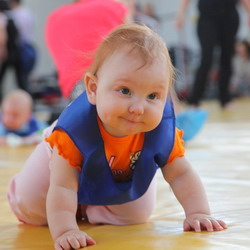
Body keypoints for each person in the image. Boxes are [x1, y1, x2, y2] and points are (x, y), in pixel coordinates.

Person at [7, 24, 226, 250]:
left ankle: (88, 207)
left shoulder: (160, 129)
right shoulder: (73, 132)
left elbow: (181, 174)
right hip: (60, 165)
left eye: (153, 95)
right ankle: (67, 205)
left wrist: (198, 212)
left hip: (116, 169)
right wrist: (66, 230)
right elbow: (62, 186)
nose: (138, 108)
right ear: (93, 89)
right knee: (32, 205)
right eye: (124, 91)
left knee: (137, 213)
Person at [45, 0, 130, 100]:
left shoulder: (54, 17)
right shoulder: (115, 7)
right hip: (112, 83)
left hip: (77, 91)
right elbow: (134, 47)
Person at [175, 0, 250, 108]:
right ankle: (194, 99)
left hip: (229, 17)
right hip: (207, 18)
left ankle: (225, 99)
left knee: (226, 58)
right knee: (206, 58)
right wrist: (180, 15)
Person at [8, 0, 36, 90]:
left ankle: (25, 100)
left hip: (21, 48)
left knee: (22, 79)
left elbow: (17, 33)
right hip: (29, 46)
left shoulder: (15, 14)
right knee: (24, 78)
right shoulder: (27, 12)